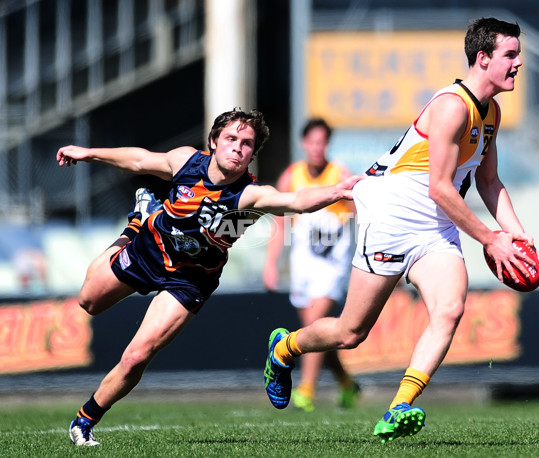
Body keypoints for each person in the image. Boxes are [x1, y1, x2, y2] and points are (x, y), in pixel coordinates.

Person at [263, 17, 539, 442]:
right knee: (350, 333)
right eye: (510, 54)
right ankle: (284, 348)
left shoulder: (492, 113)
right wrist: (490, 239)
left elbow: (488, 182)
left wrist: (517, 236)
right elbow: (439, 188)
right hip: (392, 218)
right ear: (483, 58)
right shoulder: (452, 106)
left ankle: (400, 406)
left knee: (449, 309)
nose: (519, 62)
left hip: (436, 227)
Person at [56, 108, 363, 446]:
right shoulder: (186, 162)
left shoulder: (250, 195)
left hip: (190, 280)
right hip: (149, 251)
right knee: (89, 302)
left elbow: (297, 200)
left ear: (252, 154)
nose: (238, 147)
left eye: (247, 143)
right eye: (231, 138)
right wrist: (88, 154)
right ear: (214, 141)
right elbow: (140, 161)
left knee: (137, 356)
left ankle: (83, 423)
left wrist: (336, 192)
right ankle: (136, 223)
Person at [263, 118, 359, 412]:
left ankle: (306, 390)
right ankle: (346, 383)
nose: (317, 148)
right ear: (304, 143)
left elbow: (361, 213)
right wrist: (271, 263)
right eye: (312, 142)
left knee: (315, 325)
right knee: (316, 333)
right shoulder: (292, 176)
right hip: (302, 265)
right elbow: (279, 223)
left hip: (333, 266)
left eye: (323, 142)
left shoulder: (340, 175)